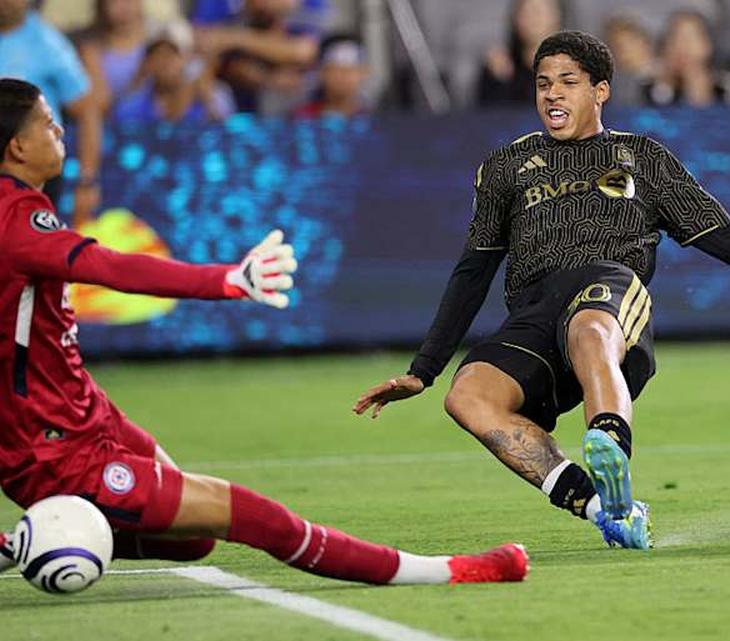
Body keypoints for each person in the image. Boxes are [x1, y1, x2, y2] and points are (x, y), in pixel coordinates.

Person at [353, 31, 730, 550]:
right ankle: (607, 511)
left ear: (601, 91)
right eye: (543, 83)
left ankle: (609, 442)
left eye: (568, 81)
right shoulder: (506, 166)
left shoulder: (644, 158)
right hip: (535, 312)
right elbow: (473, 271)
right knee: (467, 397)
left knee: (588, 328)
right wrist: (425, 370)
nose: (553, 94)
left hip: (610, 295)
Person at [0, 78, 527, 585]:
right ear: (18, 146)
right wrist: (227, 280)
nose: (60, 129)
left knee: (193, 540)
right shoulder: (15, 221)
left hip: (86, 415)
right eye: (47, 122)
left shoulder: (19, 210)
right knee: (252, 515)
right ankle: (447, 570)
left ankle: (29, 544)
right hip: (56, 450)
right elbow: (112, 267)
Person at [0, 0, 102, 227]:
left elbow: (86, 110)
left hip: (29, 169)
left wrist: (87, 180)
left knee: (30, 239)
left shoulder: (48, 44)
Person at [194, 0, 320, 115]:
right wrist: (266, 79)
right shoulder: (234, 17)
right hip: (240, 110)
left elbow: (302, 52)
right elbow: (206, 44)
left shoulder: (297, 17)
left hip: (293, 110)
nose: (263, 4)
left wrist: (236, 38)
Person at [113, 24, 235, 124]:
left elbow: (226, 131)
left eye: (172, 54)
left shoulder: (216, 94)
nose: (165, 62)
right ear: (147, 62)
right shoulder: (131, 104)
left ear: (186, 59)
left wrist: (207, 101)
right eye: (157, 54)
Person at [644, 10, 730, 108]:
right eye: (676, 38)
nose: (683, 47)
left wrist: (701, 92)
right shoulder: (648, 87)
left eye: (690, 38)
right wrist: (665, 86)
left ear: (707, 45)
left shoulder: (727, 88)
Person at [477, 0, 562, 107]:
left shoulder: (572, 67)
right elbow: (487, 111)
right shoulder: (501, 66)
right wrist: (500, 81)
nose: (533, 18)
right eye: (525, 12)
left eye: (538, 11)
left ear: (556, 16)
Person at [293, 36, 371, 119]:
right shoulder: (300, 117)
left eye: (350, 70)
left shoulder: (374, 117)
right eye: (335, 69)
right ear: (321, 72)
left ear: (364, 72)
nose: (343, 76)